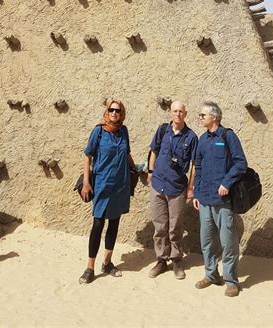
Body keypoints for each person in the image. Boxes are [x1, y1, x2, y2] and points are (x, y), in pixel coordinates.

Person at [193, 101, 247, 297]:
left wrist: (226, 183)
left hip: (223, 202)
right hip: (205, 200)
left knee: (227, 242)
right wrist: (196, 194)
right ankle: (211, 274)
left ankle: (231, 281)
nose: (200, 118)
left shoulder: (228, 136)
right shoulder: (202, 140)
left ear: (214, 117)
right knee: (206, 241)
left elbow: (241, 163)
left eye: (202, 115)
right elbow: (197, 168)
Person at [79, 99, 136, 284]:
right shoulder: (99, 131)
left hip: (120, 184)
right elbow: (88, 155)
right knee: (98, 224)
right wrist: (86, 183)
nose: (114, 113)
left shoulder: (123, 131)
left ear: (122, 114)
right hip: (102, 183)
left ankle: (107, 262)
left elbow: (127, 153)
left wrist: (137, 169)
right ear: (107, 112)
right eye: (111, 110)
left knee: (114, 223)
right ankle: (90, 267)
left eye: (117, 111)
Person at [147, 100, 198, 280]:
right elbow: (153, 151)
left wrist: (190, 187)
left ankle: (176, 260)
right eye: (175, 111)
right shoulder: (163, 131)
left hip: (177, 188)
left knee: (175, 227)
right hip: (158, 185)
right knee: (159, 226)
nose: (177, 114)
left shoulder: (191, 137)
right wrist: (151, 172)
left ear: (185, 114)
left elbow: (194, 165)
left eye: (180, 111)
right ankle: (161, 260)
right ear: (170, 113)